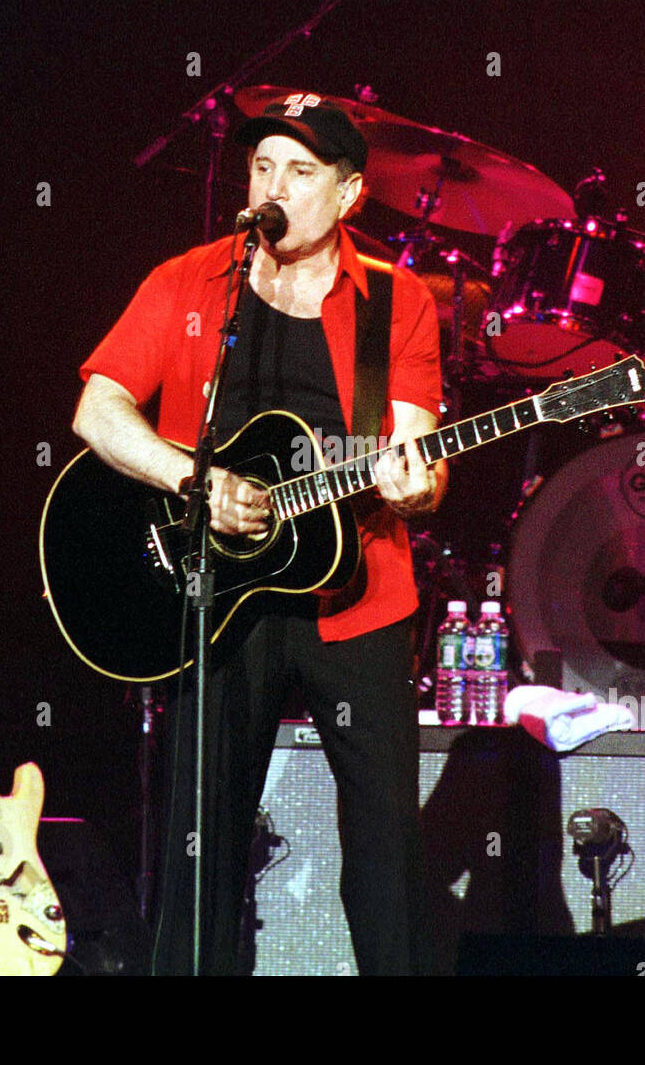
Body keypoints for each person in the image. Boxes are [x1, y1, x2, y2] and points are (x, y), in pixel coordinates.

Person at [72, 94, 446, 975]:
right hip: (217, 594)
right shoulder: (190, 280)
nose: (275, 188)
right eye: (263, 167)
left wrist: (415, 484)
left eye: (301, 172)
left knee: (387, 851)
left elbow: (417, 451)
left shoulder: (398, 299)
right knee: (200, 847)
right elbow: (98, 407)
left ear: (350, 194)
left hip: (356, 594)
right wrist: (193, 481)